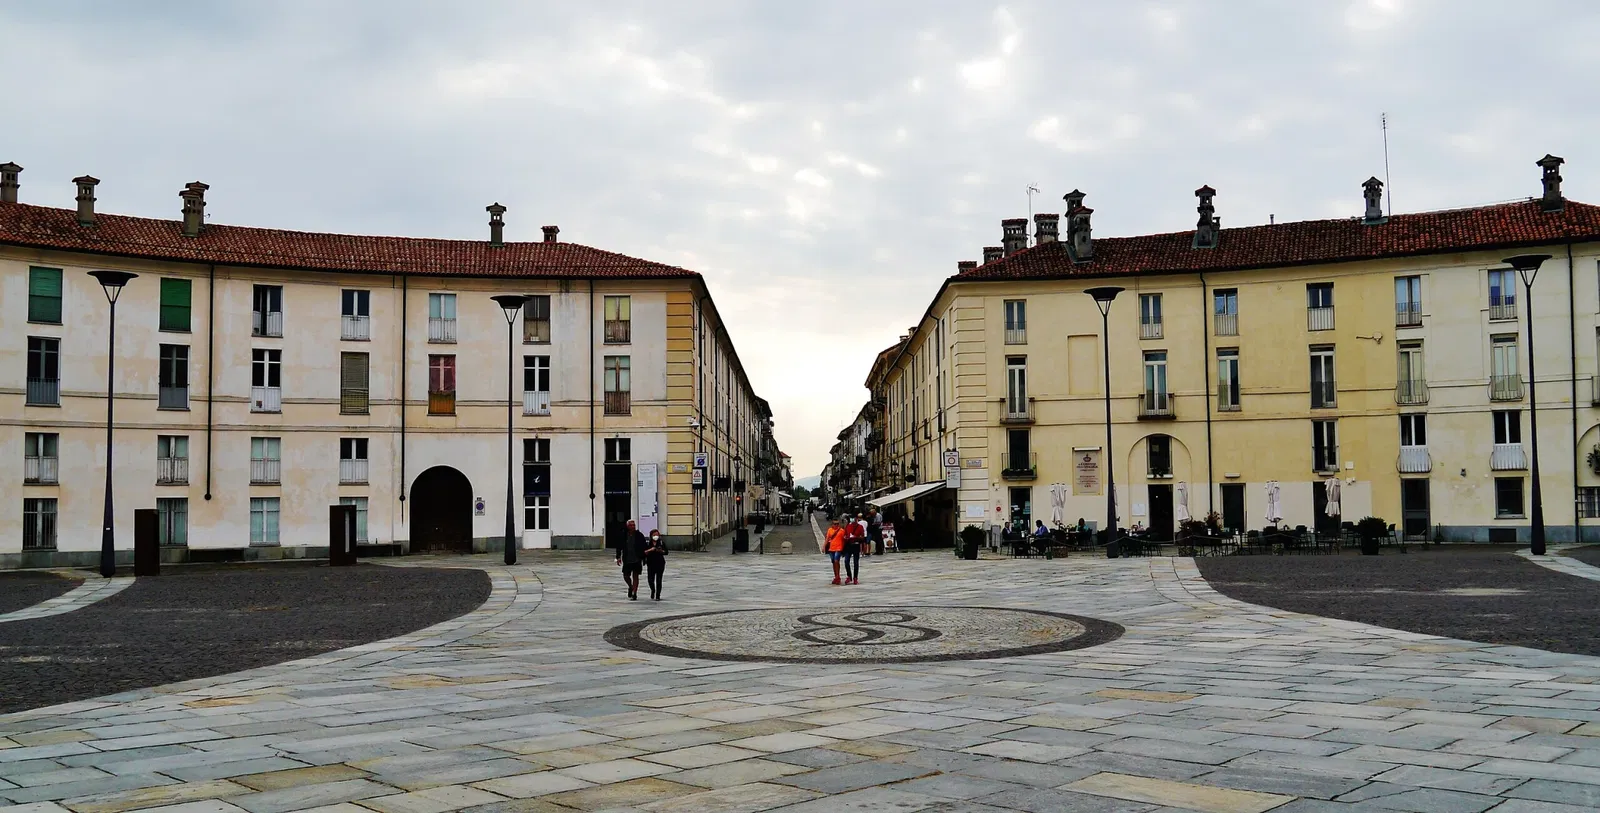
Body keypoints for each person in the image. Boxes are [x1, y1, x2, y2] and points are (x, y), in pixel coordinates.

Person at [615, 519, 647, 600]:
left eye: (634, 525)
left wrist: (644, 557)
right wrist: (618, 557)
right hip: (627, 558)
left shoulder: (639, 535)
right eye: (631, 525)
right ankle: (630, 586)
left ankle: (634, 593)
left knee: (635, 575)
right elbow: (619, 546)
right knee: (626, 575)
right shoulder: (623, 535)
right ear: (627, 526)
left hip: (637, 558)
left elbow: (644, 546)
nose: (633, 527)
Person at [644, 528, 668, 601]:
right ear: (651, 536)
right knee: (650, 579)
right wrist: (650, 550)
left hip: (660, 563)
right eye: (654, 535)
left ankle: (658, 595)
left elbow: (666, 552)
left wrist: (660, 551)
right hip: (651, 563)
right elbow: (644, 552)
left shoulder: (661, 543)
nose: (656, 536)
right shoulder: (648, 543)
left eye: (657, 535)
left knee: (659, 580)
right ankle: (653, 589)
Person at [842, 513, 865, 585]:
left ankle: (855, 577)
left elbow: (862, 537)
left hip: (856, 545)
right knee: (846, 561)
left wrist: (856, 537)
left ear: (857, 519)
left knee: (856, 562)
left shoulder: (860, 527)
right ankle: (849, 576)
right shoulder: (848, 526)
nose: (853, 520)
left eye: (854, 519)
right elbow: (845, 535)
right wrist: (846, 538)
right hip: (849, 545)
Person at [825, 518, 846, 585]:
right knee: (834, 562)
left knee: (836, 561)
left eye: (837, 524)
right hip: (831, 549)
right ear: (832, 524)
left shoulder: (841, 531)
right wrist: (824, 546)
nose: (836, 525)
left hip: (838, 548)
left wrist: (843, 549)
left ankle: (838, 576)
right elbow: (827, 538)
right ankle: (836, 576)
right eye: (835, 524)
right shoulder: (830, 530)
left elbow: (844, 540)